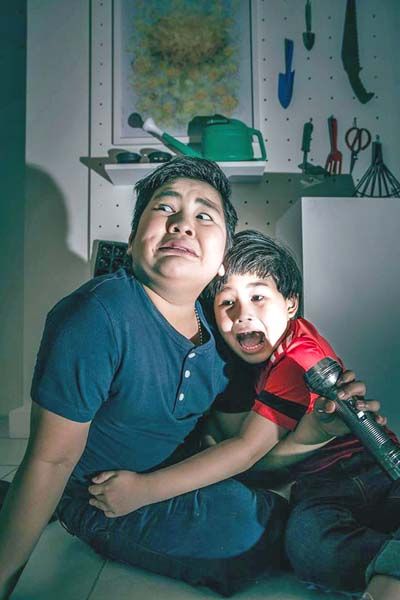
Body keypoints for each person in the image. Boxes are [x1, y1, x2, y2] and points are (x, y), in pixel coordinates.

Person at [0, 159, 368, 599]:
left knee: (277, 507)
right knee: (251, 530)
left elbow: (242, 449)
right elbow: (50, 461)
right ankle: (53, 508)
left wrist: (314, 434)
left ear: (222, 259)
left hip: (176, 472)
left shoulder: (224, 329)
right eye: (164, 207)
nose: (182, 223)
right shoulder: (94, 317)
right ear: (133, 239)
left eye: (204, 214)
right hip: (102, 495)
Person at [87, 229, 399, 600]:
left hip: (371, 466)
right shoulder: (255, 355)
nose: (242, 314)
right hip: (317, 487)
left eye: (258, 297)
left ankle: (390, 578)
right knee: (307, 543)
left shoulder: (298, 358)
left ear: (290, 304)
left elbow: (247, 451)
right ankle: (386, 562)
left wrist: (143, 490)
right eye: (227, 302)